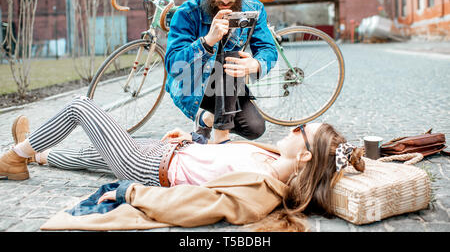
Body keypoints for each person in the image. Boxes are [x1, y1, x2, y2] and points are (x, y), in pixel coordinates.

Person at [0, 96, 364, 231]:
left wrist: (132, 193)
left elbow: (198, 204)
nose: (293, 126)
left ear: (304, 155)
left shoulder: (261, 184)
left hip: (147, 168)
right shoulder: (271, 157)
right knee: (93, 156)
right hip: (169, 151)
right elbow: (217, 159)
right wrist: (192, 140)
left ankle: (13, 159)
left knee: (80, 106)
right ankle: (39, 153)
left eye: (300, 129)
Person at [164, 0, 278, 144]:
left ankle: (208, 119)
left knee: (255, 128)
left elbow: (268, 48)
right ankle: (221, 136)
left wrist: (256, 64)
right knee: (229, 56)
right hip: (193, 86)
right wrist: (207, 41)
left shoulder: (254, 8)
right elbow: (174, 67)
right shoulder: (187, 13)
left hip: (228, 86)